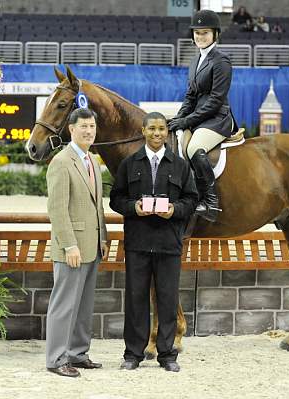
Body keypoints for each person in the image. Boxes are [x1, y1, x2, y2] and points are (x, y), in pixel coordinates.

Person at [110, 112, 198, 373]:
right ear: (143, 131)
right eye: (152, 129)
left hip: (168, 244)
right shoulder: (129, 163)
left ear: (166, 132)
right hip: (137, 243)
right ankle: (133, 354)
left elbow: (192, 200)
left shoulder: (180, 166)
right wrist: (133, 207)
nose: (157, 133)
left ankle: (167, 355)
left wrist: (175, 209)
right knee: (136, 300)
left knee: (168, 300)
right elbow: (116, 198)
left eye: (161, 129)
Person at [45, 107, 109, 378]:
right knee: (64, 305)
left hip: (92, 245)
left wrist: (103, 237)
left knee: (83, 305)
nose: (89, 131)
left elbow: (97, 207)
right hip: (71, 247)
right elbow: (57, 209)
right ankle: (56, 358)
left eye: (92, 126)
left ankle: (78, 354)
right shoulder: (61, 161)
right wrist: (69, 244)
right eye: (83, 126)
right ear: (71, 129)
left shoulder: (93, 160)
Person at [168, 9, 238, 223]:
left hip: (217, 118)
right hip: (200, 118)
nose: (200, 37)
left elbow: (216, 100)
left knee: (193, 149)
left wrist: (187, 121)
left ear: (215, 34)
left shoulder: (221, 61)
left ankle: (211, 201)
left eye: (205, 33)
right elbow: (190, 96)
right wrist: (178, 119)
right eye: (197, 33)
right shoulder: (195, 60)